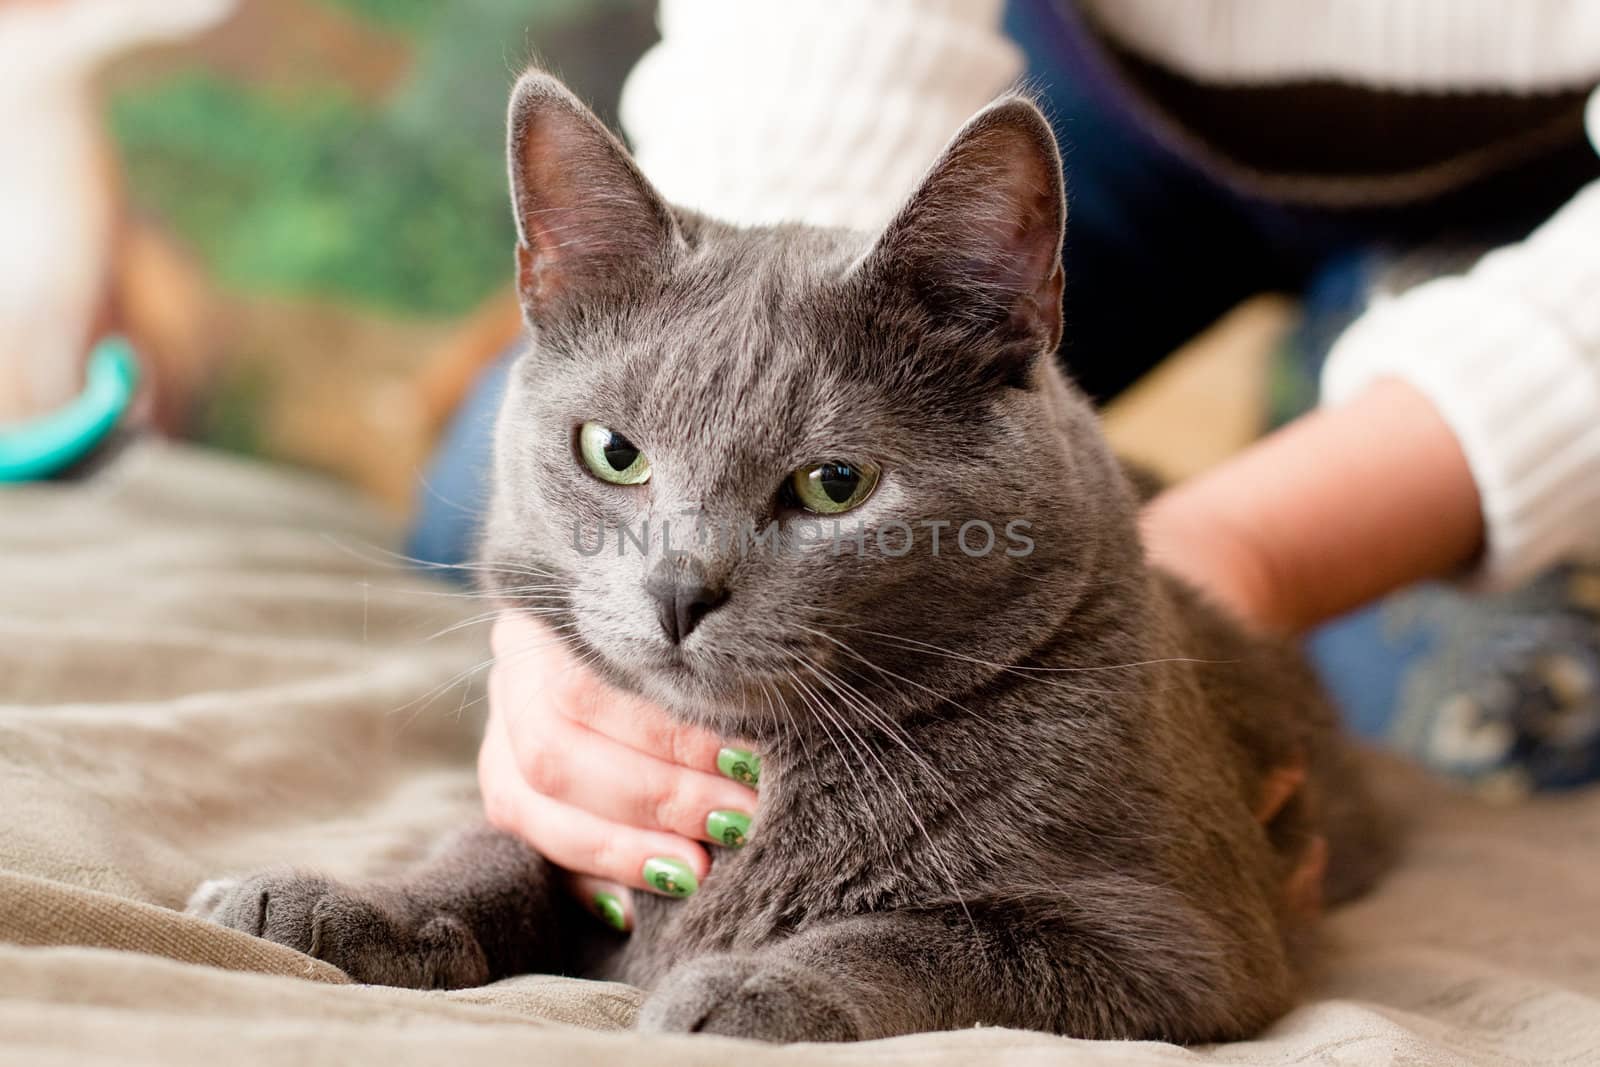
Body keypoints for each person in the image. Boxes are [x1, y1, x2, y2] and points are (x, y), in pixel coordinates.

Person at [419, 0, 1600, 926]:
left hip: (1550, 179)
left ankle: (1056, 495)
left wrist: (1218, 560)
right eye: (617, 460)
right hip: (1093, 75)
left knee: (1490, 717)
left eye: (827, 489)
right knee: (470, 497)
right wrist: (769, 340)